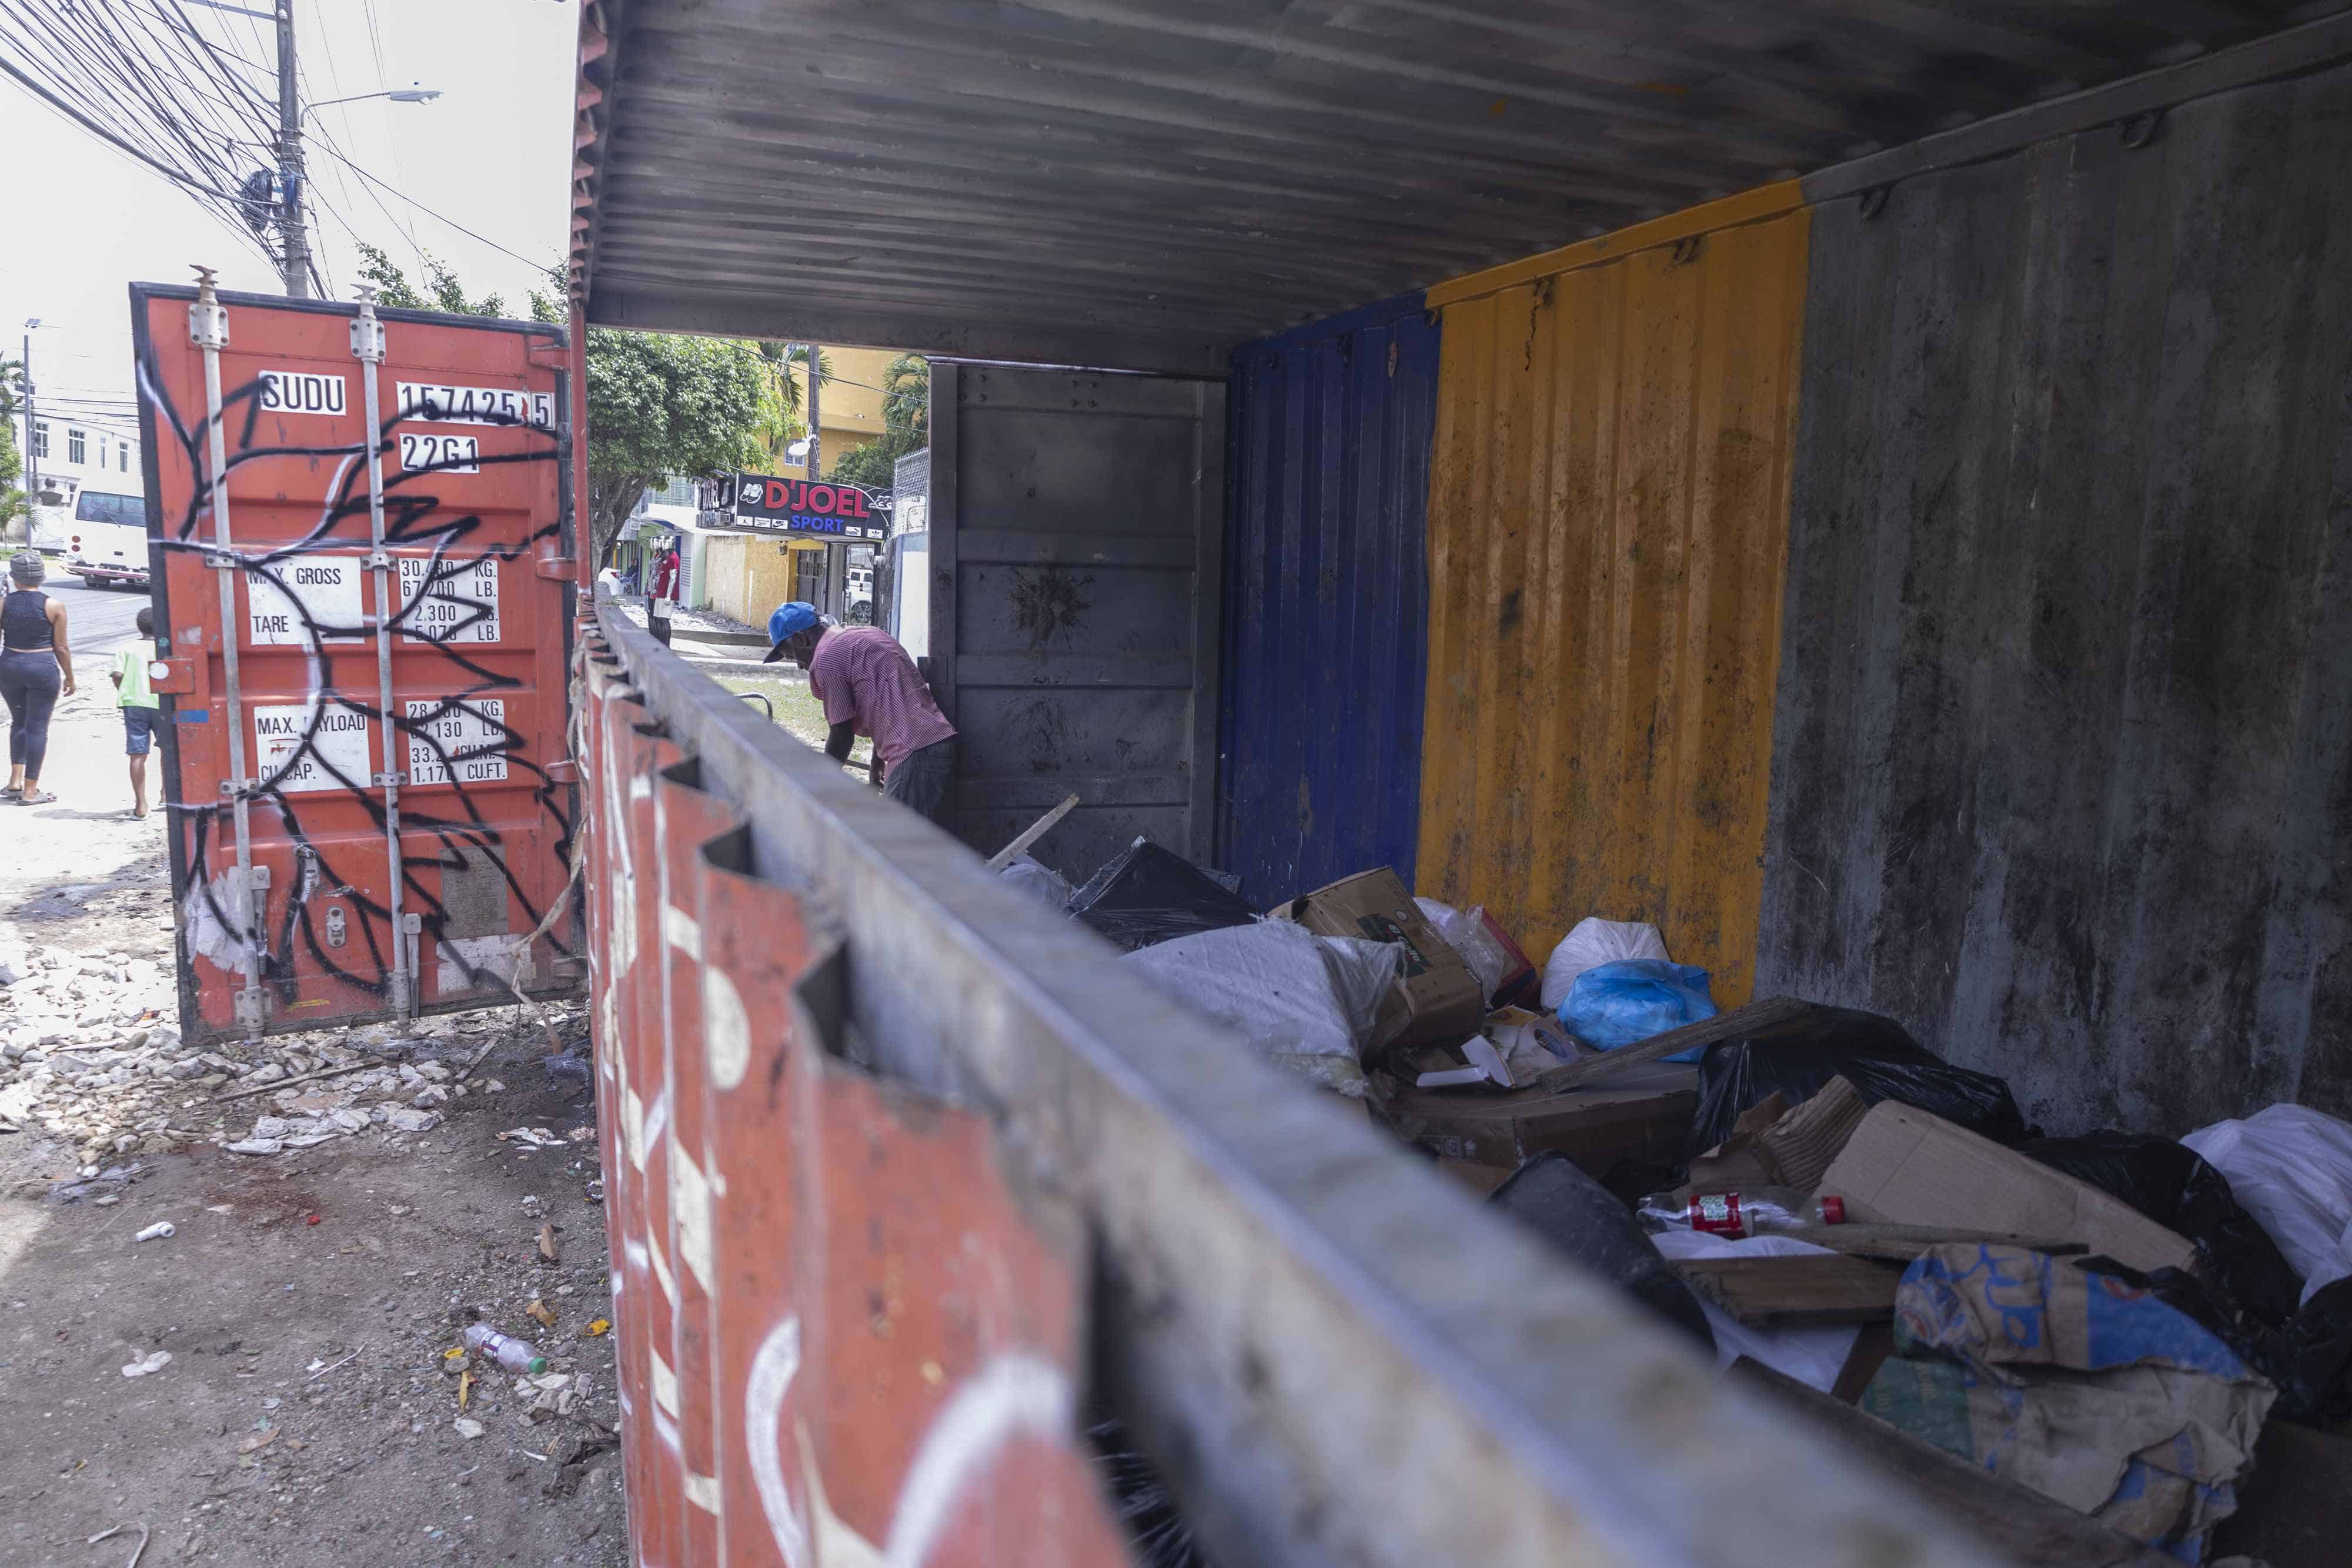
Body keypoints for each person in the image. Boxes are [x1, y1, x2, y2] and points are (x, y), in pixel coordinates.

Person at [763, 600, 956, 823]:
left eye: (792, 656)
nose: (799, 665)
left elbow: (842, 736)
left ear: (801, 639)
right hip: (930, 743)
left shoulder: (827, 658)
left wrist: (820, 788)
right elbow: (888, 703)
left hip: (913, 753)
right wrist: (877, 761)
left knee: (892, 848)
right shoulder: (868, 634)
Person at [0, 551, 72, 807]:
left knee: (18, 721)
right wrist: (70, 678)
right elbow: (61, 648)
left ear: (14, 578)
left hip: (9, 666)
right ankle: (30, 791)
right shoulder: (54, 605)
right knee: (37, 727)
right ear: (41, 577)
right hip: (42, 668)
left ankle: (15, 781)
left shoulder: (3, 603)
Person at [111, 606, 162, 819]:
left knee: (137, 754)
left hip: (134, 705)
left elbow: (117, 674)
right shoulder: (165, 647)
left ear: (139, 627)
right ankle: (167, 795)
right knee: (169, 751)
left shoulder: (126, 648)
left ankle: (141, 806)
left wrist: (125, 689)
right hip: (163, 705)